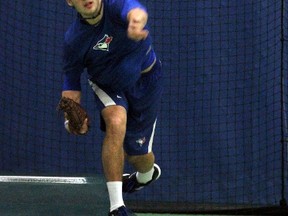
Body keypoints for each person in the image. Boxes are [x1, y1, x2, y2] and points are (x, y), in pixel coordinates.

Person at [61, 0, 163, 215]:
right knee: (116, 122)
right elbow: (71, 83)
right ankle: (117, 207)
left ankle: (145, 175)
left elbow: (135, 10)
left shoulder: (115, 6)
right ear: (70, 2)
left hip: (146, 82)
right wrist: (69, 120)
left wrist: (136, 20)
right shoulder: (74, 39)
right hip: (107, 85)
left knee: (138, 156)